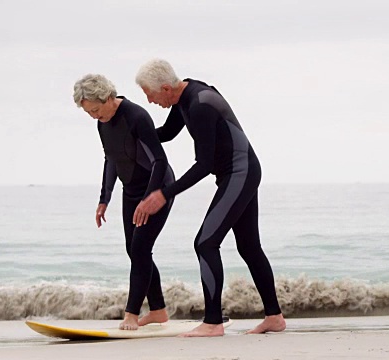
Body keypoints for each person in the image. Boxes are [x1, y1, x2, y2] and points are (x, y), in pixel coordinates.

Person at [133, 59, 286, 337]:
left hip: (239, 173)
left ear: (166, 88)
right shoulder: (184, 98)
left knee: (205, 243)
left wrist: (164, 194)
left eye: (150, 95)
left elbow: (203, 165)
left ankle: (213, 322)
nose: (151, 101)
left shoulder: (200, 104)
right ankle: (274, 317)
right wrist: (133, 134)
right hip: (241, 173)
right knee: (249, 247)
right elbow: (166, 134)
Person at [73, 74, 175, 330]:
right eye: (89, 113)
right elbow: (112, 159)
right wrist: (104, 198)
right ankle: (159, 310)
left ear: (108, 97)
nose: (95, 116)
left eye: (96, 110)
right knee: (134, 250)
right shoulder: (103, 124)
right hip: (131, 191)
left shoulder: (136, 117)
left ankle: (131, 314)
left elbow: (159, 162)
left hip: (156, 188)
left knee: (140, 249)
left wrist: (150, 198)